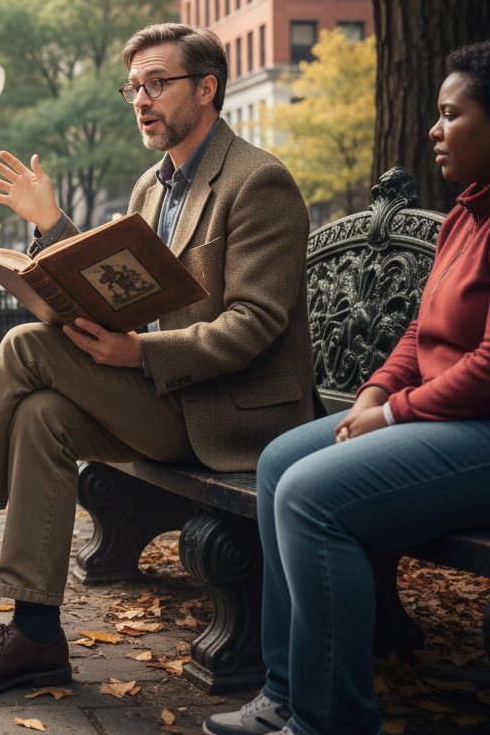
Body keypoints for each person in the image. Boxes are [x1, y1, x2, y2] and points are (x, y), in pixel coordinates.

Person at [0, 24, 316, 697]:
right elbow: (130, 282)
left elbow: (256, 325)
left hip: (231, 415)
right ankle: (35, 634)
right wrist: (53, 232)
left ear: (206, 89)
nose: (141, 100)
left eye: (157, 84)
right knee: (41, 415)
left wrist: (138, 350)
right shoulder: (153, 184)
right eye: (134, 88)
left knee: (26, 345)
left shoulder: (257, 182)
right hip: (166, 397)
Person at [203, 41, 490, 735]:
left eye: (451, 116)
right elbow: (421, 332)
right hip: (435, 420)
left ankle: (330, 719)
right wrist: (373, 393)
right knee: (278, 463)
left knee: (313, 497)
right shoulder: (465, 212)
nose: (434, 129)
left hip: (477, 432)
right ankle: (284, 690)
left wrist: (392, 414)